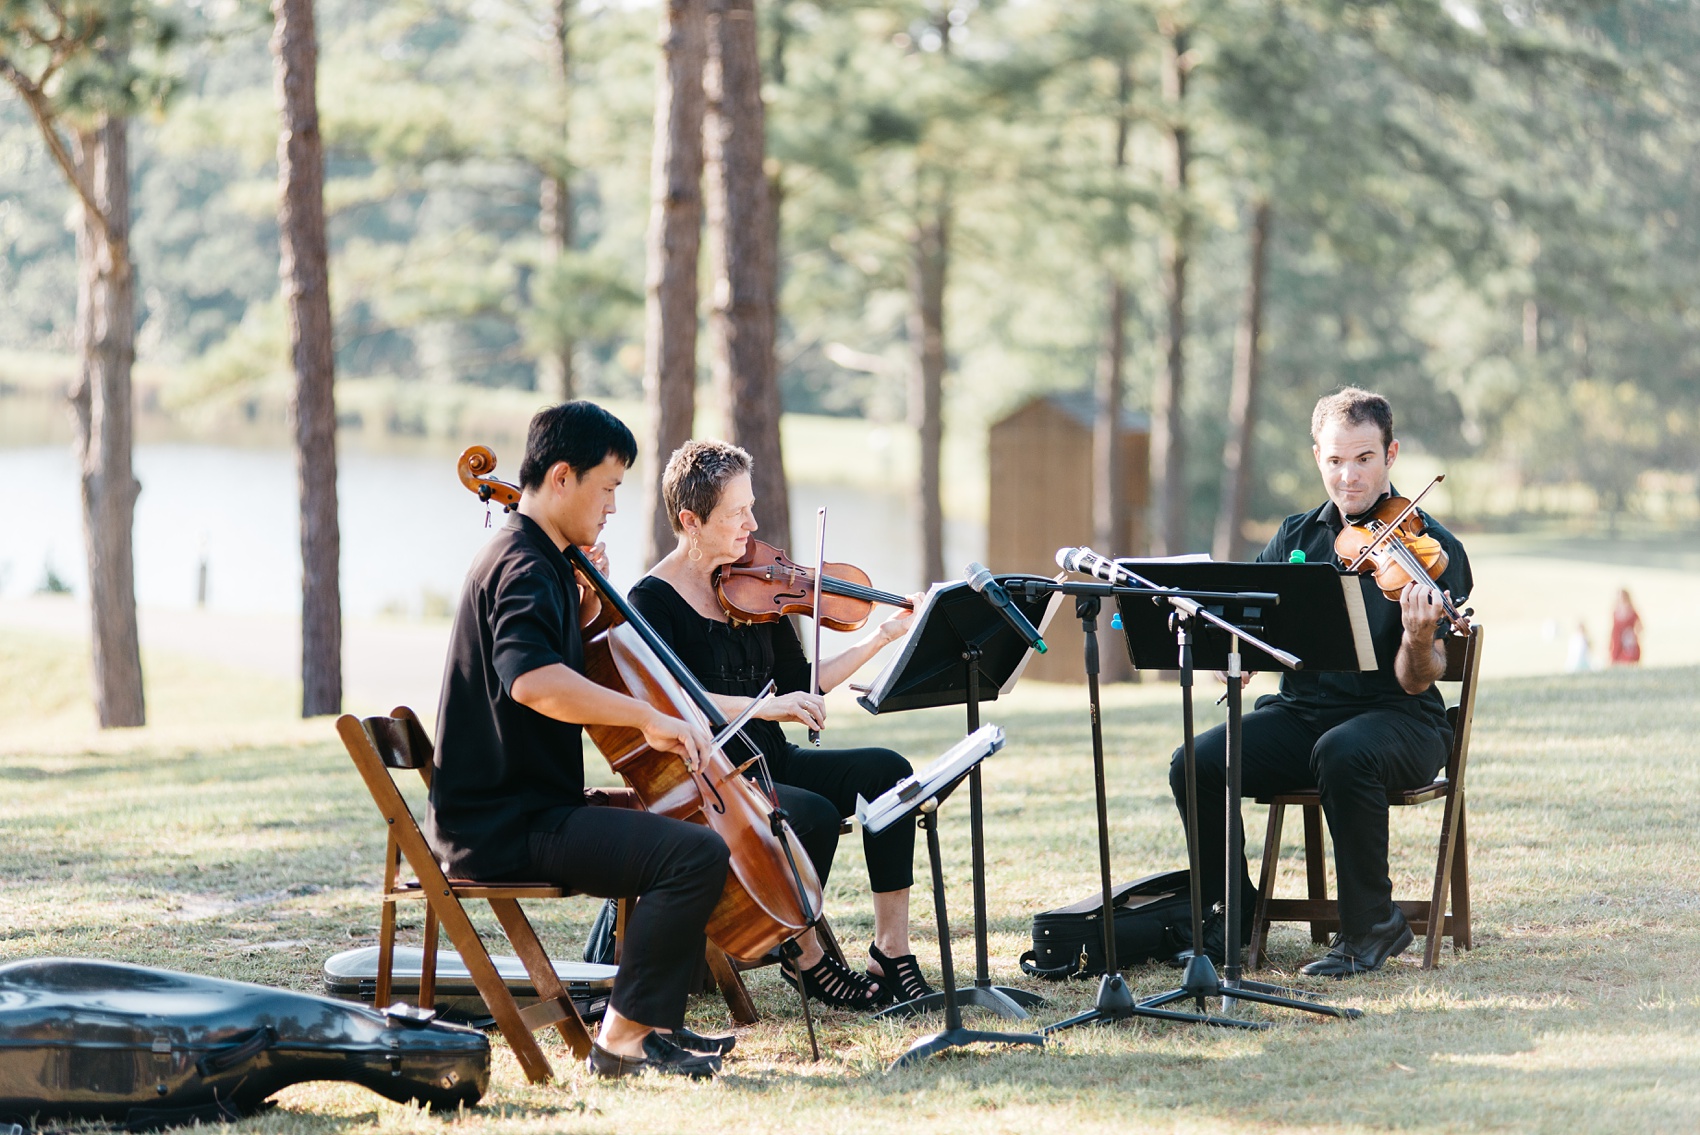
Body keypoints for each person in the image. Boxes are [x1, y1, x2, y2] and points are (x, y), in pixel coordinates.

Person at [424, 402, 734, 1079]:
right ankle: (622, 1039)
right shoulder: (523, 565)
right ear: (562, 477)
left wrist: (586, 607)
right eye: (609, 487)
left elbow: (559, 657)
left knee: (684, 821)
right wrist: (647, 717)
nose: (614, 506)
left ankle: (654, 1026)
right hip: (507, 826)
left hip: (524, 806)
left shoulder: (540, 558)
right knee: (694, 854)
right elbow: (532, 680)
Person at [1167, 387, 1472, 977]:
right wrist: (1236, 649)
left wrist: (1415, 636)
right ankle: (1236, 912)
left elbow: (1418, 681)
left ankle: (1373, 926)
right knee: (1194, 763)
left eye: (1363, 459)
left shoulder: (1433, 551)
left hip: (1401, 720)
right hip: (1303, 716)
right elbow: (1245, 617)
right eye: (1335, 461)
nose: (1349, 477)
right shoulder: (1295, 538)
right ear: (1317, 458)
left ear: (1391, 455)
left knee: (1343, 750)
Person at [628, 439, 933, 1011]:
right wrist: (764, 707)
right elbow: (674, 703)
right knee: (810, 814)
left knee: (890, 772)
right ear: (690, 521)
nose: (753, 523)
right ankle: (808, 958)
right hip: (714, 775)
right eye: (736, 513)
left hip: (772, 757)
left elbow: (804, 683)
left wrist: (881, 637)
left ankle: (891, 950)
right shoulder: (652, 602)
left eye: (751, 506)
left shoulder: (755, 584)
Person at [1609, 589, 1642, 665]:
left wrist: (1633, 635)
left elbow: (1640, 626)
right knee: (1615, 659)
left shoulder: (1632, 611)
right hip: (1617, 639)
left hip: (1627, 642)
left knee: (1628, 660)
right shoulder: (1615, 611)